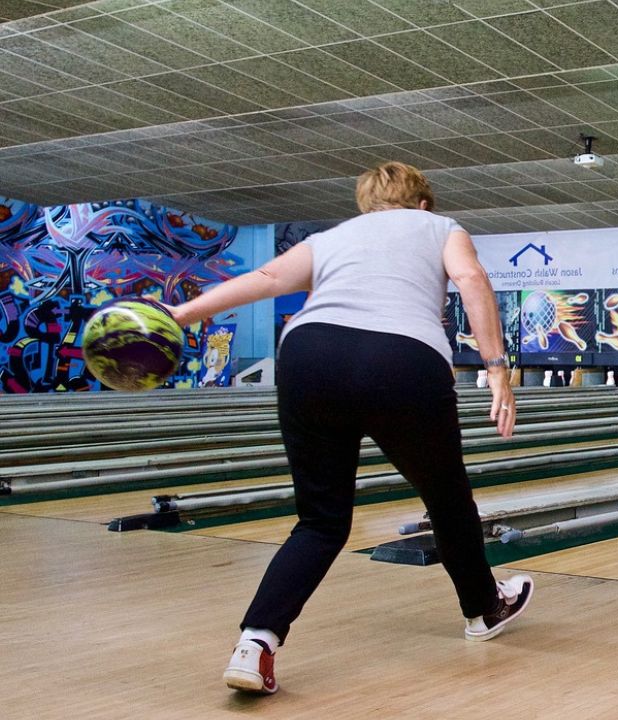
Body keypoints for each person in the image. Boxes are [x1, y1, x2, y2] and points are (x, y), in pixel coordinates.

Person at [168, 161, 531, 696]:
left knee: (320, 521)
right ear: (423, 202)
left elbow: (266, 279)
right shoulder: (440, 227)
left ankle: (257, 641)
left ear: (365, 204)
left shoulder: (333, 236)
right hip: (402, 359)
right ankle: (483, 609)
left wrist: (179, 314)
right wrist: (497, 369)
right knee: (447, 499)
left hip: (309, 353)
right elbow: (472, 278)